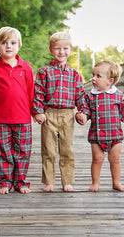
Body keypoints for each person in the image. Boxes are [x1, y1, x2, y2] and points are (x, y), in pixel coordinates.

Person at [0, 26, 34, 194]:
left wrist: (36, 112)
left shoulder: (25, 68)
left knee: (22, 151)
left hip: (23, 118)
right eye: (4, 43)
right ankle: (4, 182)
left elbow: (31, 92)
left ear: (19, 45)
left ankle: (20, 181)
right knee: (2, 151)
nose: (9, 46)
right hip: (1, 119)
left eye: (13, 43)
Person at [33, 32, 88, 192]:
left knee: (67, 149)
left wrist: (83, 111)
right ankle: (49, 181)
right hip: (49, 113)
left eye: (65, 48)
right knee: (48, 149)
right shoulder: (44, 72)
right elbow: (38, 93)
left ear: (70, 50)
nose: (61, 52)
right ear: (51, 49)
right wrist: (38, 111)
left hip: (67, 115)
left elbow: (80, 95)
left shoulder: (75, 75)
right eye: (57, 48)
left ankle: (67, 181)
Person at [76, 60, 124, 192]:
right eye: (93, 75)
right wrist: (82, 116)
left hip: (115, 135)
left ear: (110, 81)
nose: (93, 79)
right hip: (97, 135)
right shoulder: (90, 96)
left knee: (115, 159)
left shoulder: (118, 95)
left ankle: (116, 182)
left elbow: (123, 111)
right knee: (97, 159)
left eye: (98, 76)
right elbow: (86, 110)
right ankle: (95, 183)